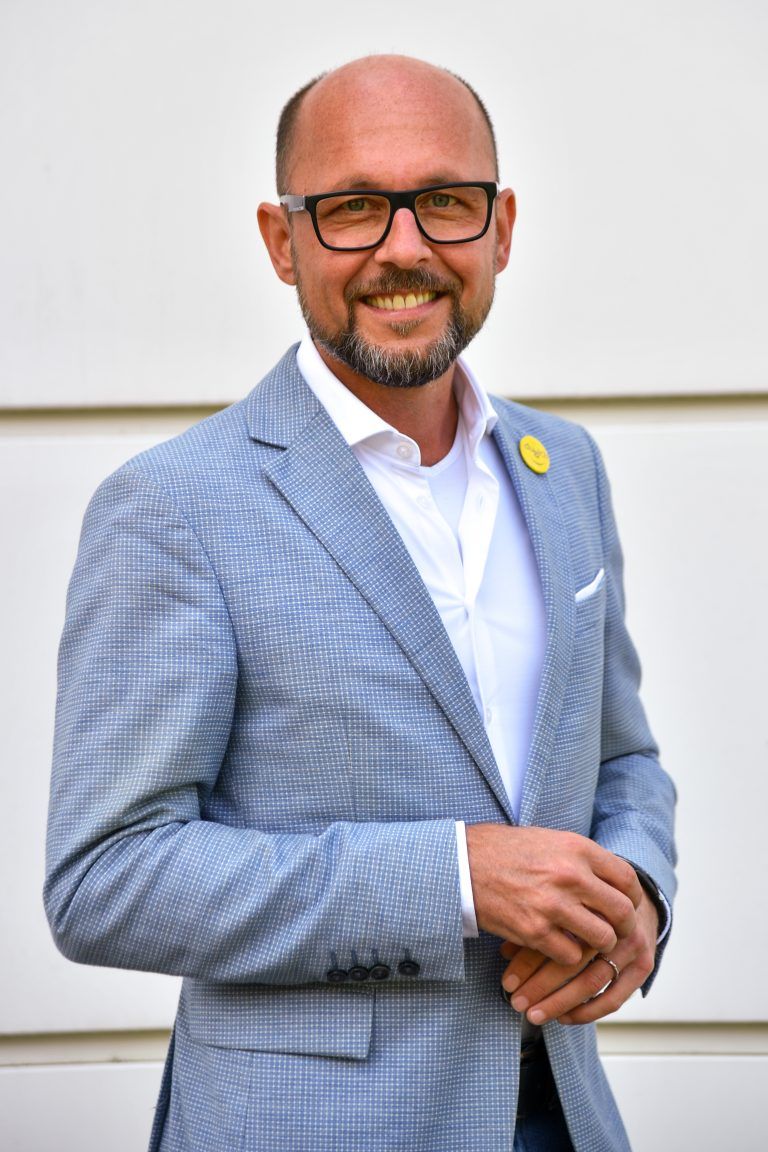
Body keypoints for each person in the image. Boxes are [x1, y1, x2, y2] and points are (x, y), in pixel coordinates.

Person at [44, 55, 676, 1152]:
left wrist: (639, 903)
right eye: (351, 208)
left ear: (501, 228)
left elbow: (624, 761)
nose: (404, 247)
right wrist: (454, 879)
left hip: (567, 1117)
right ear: (281, 240)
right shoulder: (174, 506)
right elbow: (106, 879)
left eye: (445, 201)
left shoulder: (563, 468)